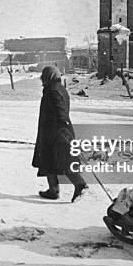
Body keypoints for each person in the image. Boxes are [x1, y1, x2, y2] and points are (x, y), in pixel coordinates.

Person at [32, 65, 87, 202]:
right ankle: (53, 190)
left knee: (63, 159)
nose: (42, 80)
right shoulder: (59, 88)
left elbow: (60, 111)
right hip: (56, 130)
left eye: (43, 77)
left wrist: (63, 127)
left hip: (56, 132)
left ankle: (80, 184)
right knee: (49, 160)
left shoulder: (52, 90)